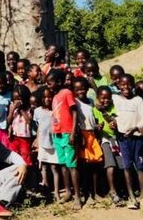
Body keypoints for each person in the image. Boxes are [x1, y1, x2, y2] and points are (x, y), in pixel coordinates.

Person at [112, 74, 143, 210]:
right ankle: (132, 196)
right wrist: (113, 122)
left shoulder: (138, 100)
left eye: (128, 84)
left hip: (139, 139)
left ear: (133, 85)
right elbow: (111, 114)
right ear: (118, 85)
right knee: (127, 167)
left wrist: (134, 129)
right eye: (123, 84)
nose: (125, 87)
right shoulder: (115, 99)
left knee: (142, 166)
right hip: (123, 140)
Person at [48, 69, 81, 209]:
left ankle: (78, 197)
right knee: (63, 165)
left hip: (67, 133)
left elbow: (74, 112)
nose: (49, 85)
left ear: (59, 82)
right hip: (57, 135)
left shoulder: (67, 93)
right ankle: (68, 192)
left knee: (72, 165)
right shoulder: (55, 96)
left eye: (50, 82)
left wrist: (73, 132)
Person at [73, 77, 103, 205]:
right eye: (77, 89)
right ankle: (86, 193)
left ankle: (95, 192)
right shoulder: (75, 103)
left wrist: (97, 126)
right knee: (84, 167)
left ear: (87, 89)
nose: (81, 91)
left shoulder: (90, 101)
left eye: (83, 88)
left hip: (92, 135)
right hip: (82, 136)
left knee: (95, 165)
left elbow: (93, 117)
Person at [93, 85, 123, 205]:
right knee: (110, 165)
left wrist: (114, 123)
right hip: (105, 140)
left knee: (120, 165)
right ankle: (112, 191)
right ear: (97, 98)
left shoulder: (114, 108)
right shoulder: (94, 110)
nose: (105, 100)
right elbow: (94, 124)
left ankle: (120, 189)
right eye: (102, 98)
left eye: (108, 98)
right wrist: (97, 127)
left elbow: (114, 121)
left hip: (116, 139)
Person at [33, 89, 60, 200]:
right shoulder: (37, 111)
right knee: (43, 167)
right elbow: (38, 127)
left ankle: (57, 192)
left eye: (49, 97)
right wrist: (38, 142)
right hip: (43, 143)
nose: (47, 99)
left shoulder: (56, 110)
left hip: (54, 143)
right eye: (44, 97)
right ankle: (47, 191)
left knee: (54, 168)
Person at [7, 85, 33, 175]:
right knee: (14, 156)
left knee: (26, 156)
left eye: (19, 99)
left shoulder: (29, 109)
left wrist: (21, 110)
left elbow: (29, 121)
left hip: (25, 137)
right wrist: (12, 109)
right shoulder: (12, 107)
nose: (17, 101)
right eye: (15, 99)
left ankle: (27, 177)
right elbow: (8, 120)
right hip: (14, 136)